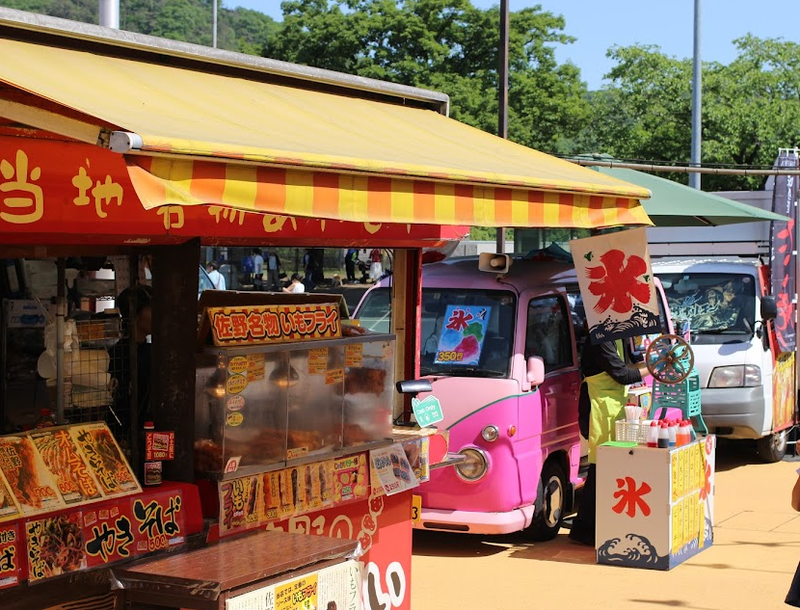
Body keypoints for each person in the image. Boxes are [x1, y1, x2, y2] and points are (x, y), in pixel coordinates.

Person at [568, 336, 646, 546]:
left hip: (614, 407)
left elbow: (629, 365)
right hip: (597, 406)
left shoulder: (621, 337)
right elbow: (623, 374)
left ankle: (590, 527)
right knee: (599, 469)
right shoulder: (600, 340)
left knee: (607, 469)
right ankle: (585, 529)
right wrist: (655, 366)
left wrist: (650, 362)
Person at [109, 285, 153, 443]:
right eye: (151, 309)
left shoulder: (149, 350)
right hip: (125, 437)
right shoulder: (119, 354)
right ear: (136, 314)